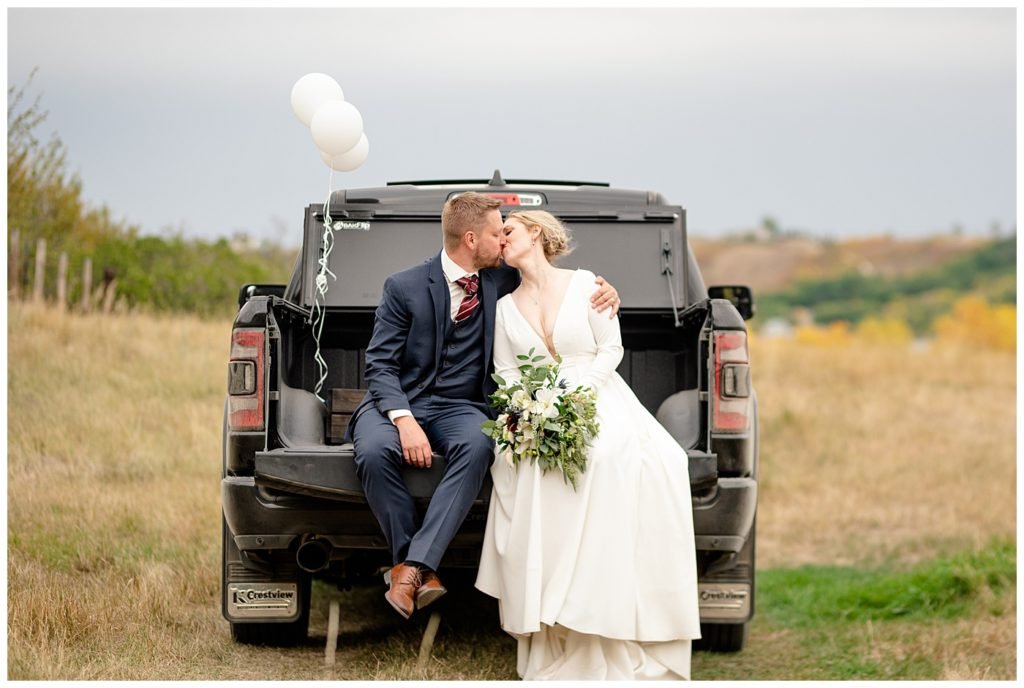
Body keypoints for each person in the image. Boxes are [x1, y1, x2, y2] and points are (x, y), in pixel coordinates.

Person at [348, 193, 620, 620]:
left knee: (479, 445)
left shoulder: (500, 279)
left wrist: (604, 290)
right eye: (498, 233)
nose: (504, 240)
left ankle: (412, 569)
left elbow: (554, 282)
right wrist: (404, 420)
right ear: (472, 239)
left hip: (459, 406)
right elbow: (379, 364)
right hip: (399, 403)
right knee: (373, 451)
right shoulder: (404, 286)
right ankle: (416, 565)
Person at [475, 210, 701, 680]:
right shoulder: (504, 305)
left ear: (535, 232)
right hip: (537, 408)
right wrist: (532, 407)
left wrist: (576, 396)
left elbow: (610, 350)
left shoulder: (586, 285)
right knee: (522, 467)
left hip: (598, 395)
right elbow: (506, 371)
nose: (501, 241)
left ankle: (606, 611)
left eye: (509, 232)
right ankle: (554, 612)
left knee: (614, 459)